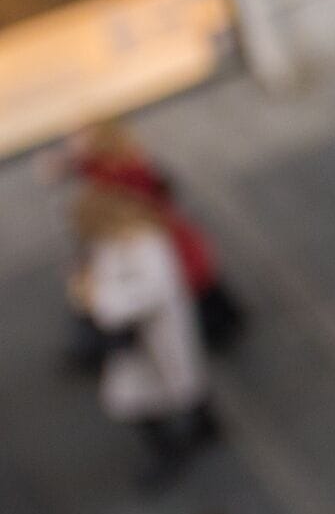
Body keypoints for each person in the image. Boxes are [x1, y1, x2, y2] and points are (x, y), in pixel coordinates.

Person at [77, 184, 218, 489]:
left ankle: (190, 436)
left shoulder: (144, 242)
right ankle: (190, 431)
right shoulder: (115, 242)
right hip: (141, 337)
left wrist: (102, 301)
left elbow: (154, 290)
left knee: (177, 383)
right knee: (144, 394)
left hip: (155, 333)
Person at [65, 119, 247, 353]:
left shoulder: (117, 172)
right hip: (162, 232)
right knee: (194, 285)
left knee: (184, 285)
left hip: (159, 234)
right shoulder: (120, 161)